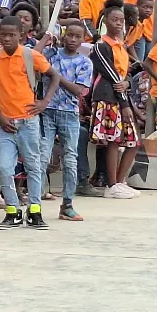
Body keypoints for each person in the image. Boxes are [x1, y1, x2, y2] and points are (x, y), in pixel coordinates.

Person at [0, 18, 61, 230]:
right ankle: (12, 210)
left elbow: (54, 76)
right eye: (3, 34)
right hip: (5, 123)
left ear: (21, 35)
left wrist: (44, 101)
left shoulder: (30, 55)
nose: (6, 38)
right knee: (4, 168)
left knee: (33, 166)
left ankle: (34, 210)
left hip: (28, 121)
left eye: (11, 35)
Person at [88, 0, 141, 198]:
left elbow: (124, 75)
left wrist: (128, 83)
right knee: (113, 140)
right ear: (105, 21)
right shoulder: (100, 46)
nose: (118, 23)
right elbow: (111, 75)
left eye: (121, 20)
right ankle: (111, 185)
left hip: (121, 95)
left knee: (133, 141)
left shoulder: (121, 45)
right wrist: (124, 100)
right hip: (107, 97)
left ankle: (119, 181)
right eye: (114, 20)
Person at [42, 21, 93, 222]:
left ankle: (67, 204)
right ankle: (35, 204)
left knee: (70, 160)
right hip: (47, 112)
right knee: (42, 157)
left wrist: (55, 76)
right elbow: (35, 57)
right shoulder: (51, 54)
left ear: (82, 40)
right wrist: (47, 39)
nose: (72, 39)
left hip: (69, 114)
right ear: (63, 35)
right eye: (69, 35)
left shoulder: (85, 63)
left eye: (77, 36)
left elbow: (78, 90)